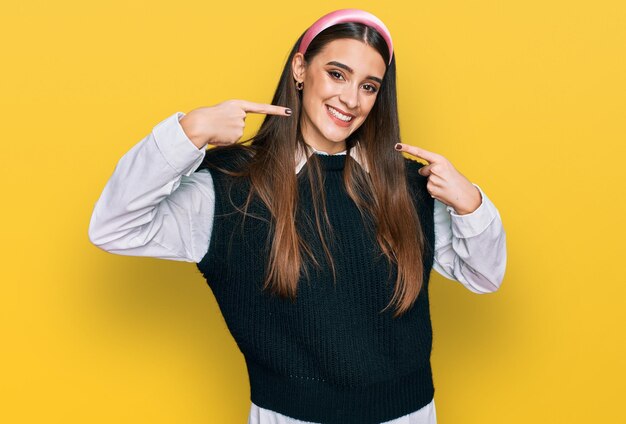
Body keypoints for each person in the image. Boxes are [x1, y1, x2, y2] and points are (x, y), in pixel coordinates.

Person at [88, 8, 506, 424]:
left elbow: (484, 276)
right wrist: (189, 131)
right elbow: (114, 227)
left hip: (410, 415)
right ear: (300, 69)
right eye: (337, 74)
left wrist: (471, 203)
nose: (351, 99)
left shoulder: (407, 186)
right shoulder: (231, 185)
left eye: (369, 86)